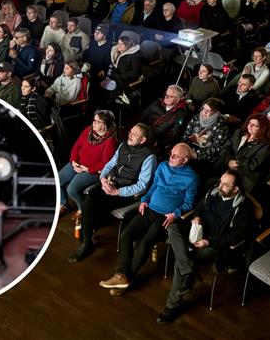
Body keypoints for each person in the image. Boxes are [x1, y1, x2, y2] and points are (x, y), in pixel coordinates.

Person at [156, 168, 254, 324]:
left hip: (213, 243)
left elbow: (236, 236)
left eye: (225, 185)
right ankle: (188, 266)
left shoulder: (242, 207)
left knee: (182, 262)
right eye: (220, 182)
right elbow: (199, 209)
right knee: (172, 227)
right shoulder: (213, 192)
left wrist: (209, 241)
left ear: (235, 189)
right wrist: (196, 218)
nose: (220, 187)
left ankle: (171, 305)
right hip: (197, 231)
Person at [99, 143, 198, 295]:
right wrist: (144, 200)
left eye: (176, 156)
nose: (171, 157)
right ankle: (122, 275)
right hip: (149, 209)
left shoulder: (192, 178)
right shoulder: (163, 166)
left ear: (185, 160)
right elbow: (152, 187)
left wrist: (175, 214)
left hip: (165, 217)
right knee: (126, 235)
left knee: (145, 243)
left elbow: (189, 203)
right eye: (171, 153)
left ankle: (126, 278)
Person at [69, 124, 157, 263]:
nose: (130, 135)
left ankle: (85, 243)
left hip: (127, 193)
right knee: (91, 196)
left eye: (134, 134)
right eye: (130, 131)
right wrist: (103, 179)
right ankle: (87, 239)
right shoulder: (123, 146)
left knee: (93, 203)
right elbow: (109, 165)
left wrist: (118, 191)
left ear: (143, 140)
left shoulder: (149, 157)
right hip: (111, 183)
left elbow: (142, 186)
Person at [59, 110, 118, 215]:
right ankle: (63, 204)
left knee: (72, 190)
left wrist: (88, 169)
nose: (94, 123)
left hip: (92, 170)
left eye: (98, 121)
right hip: (77, 164)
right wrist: (73, 161)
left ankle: (83, 210)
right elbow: (77, 146)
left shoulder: (110, 141)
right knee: (57, 180)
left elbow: (106, 163)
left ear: (105, 125)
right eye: (94, 120)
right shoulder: (88, 130)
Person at [141, 85, 190, 154]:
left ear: (177, 99)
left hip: (156, 142)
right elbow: (143, 116)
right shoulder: (157, 103)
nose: (166, 97)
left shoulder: (180, 115)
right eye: (166, 94)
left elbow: (173, 135)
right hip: (143, 132)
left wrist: (159, 143)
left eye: (170, 96)